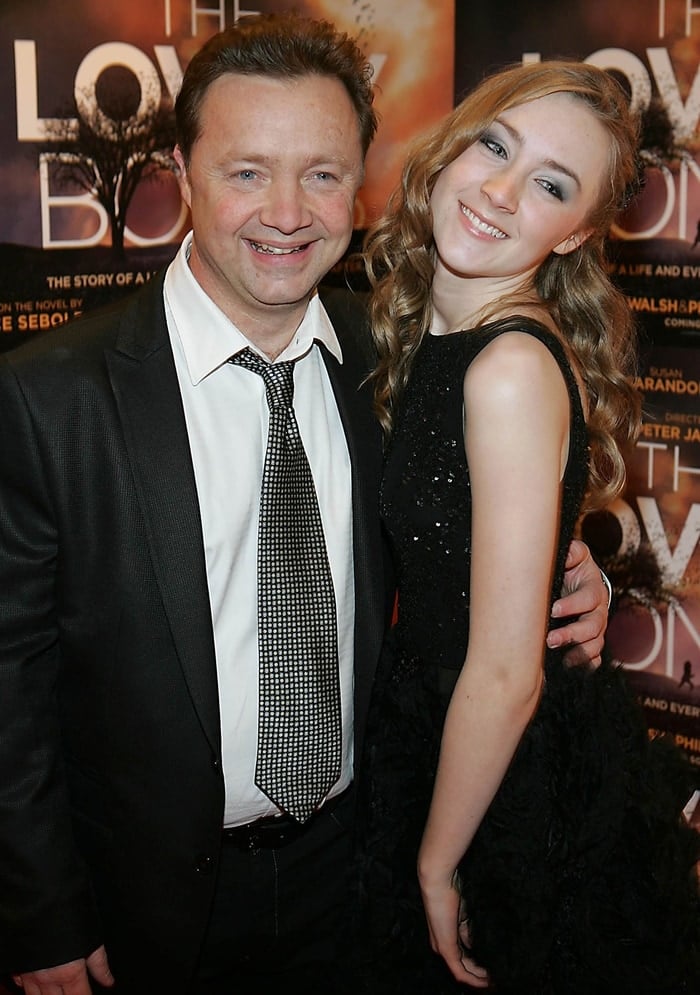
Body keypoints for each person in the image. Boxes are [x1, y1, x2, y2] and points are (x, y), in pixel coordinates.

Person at [0, 16, 610, 995]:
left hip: (362, 872)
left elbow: (464, 532)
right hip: (142, 905)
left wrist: (566, 567)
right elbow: (9, 679)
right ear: (180, 172)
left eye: (323, 174)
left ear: (360, 181)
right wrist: (37, 914)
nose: (287, 212)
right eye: (246, 171)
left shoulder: (390, 358)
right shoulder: (50, 397)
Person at [354, 60, 700, 994]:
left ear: (578, 231)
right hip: (438, 733)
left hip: (498, 775)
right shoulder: (433, 321)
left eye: (550, 183)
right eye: (494, 145)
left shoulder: (507, 369)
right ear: (454, 143)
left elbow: (505, 673)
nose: (501, 192)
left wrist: (434, 864)